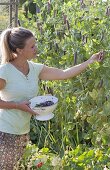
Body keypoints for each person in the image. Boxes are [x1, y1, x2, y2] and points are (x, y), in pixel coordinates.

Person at [0, 27, 104, 170]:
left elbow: (63, 74)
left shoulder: (34, 68)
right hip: (5, 132)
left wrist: (89, 61)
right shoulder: (5, 71)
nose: (36, 48)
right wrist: (17, 105)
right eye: (32, 46)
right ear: (19, 50)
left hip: (22, 131)